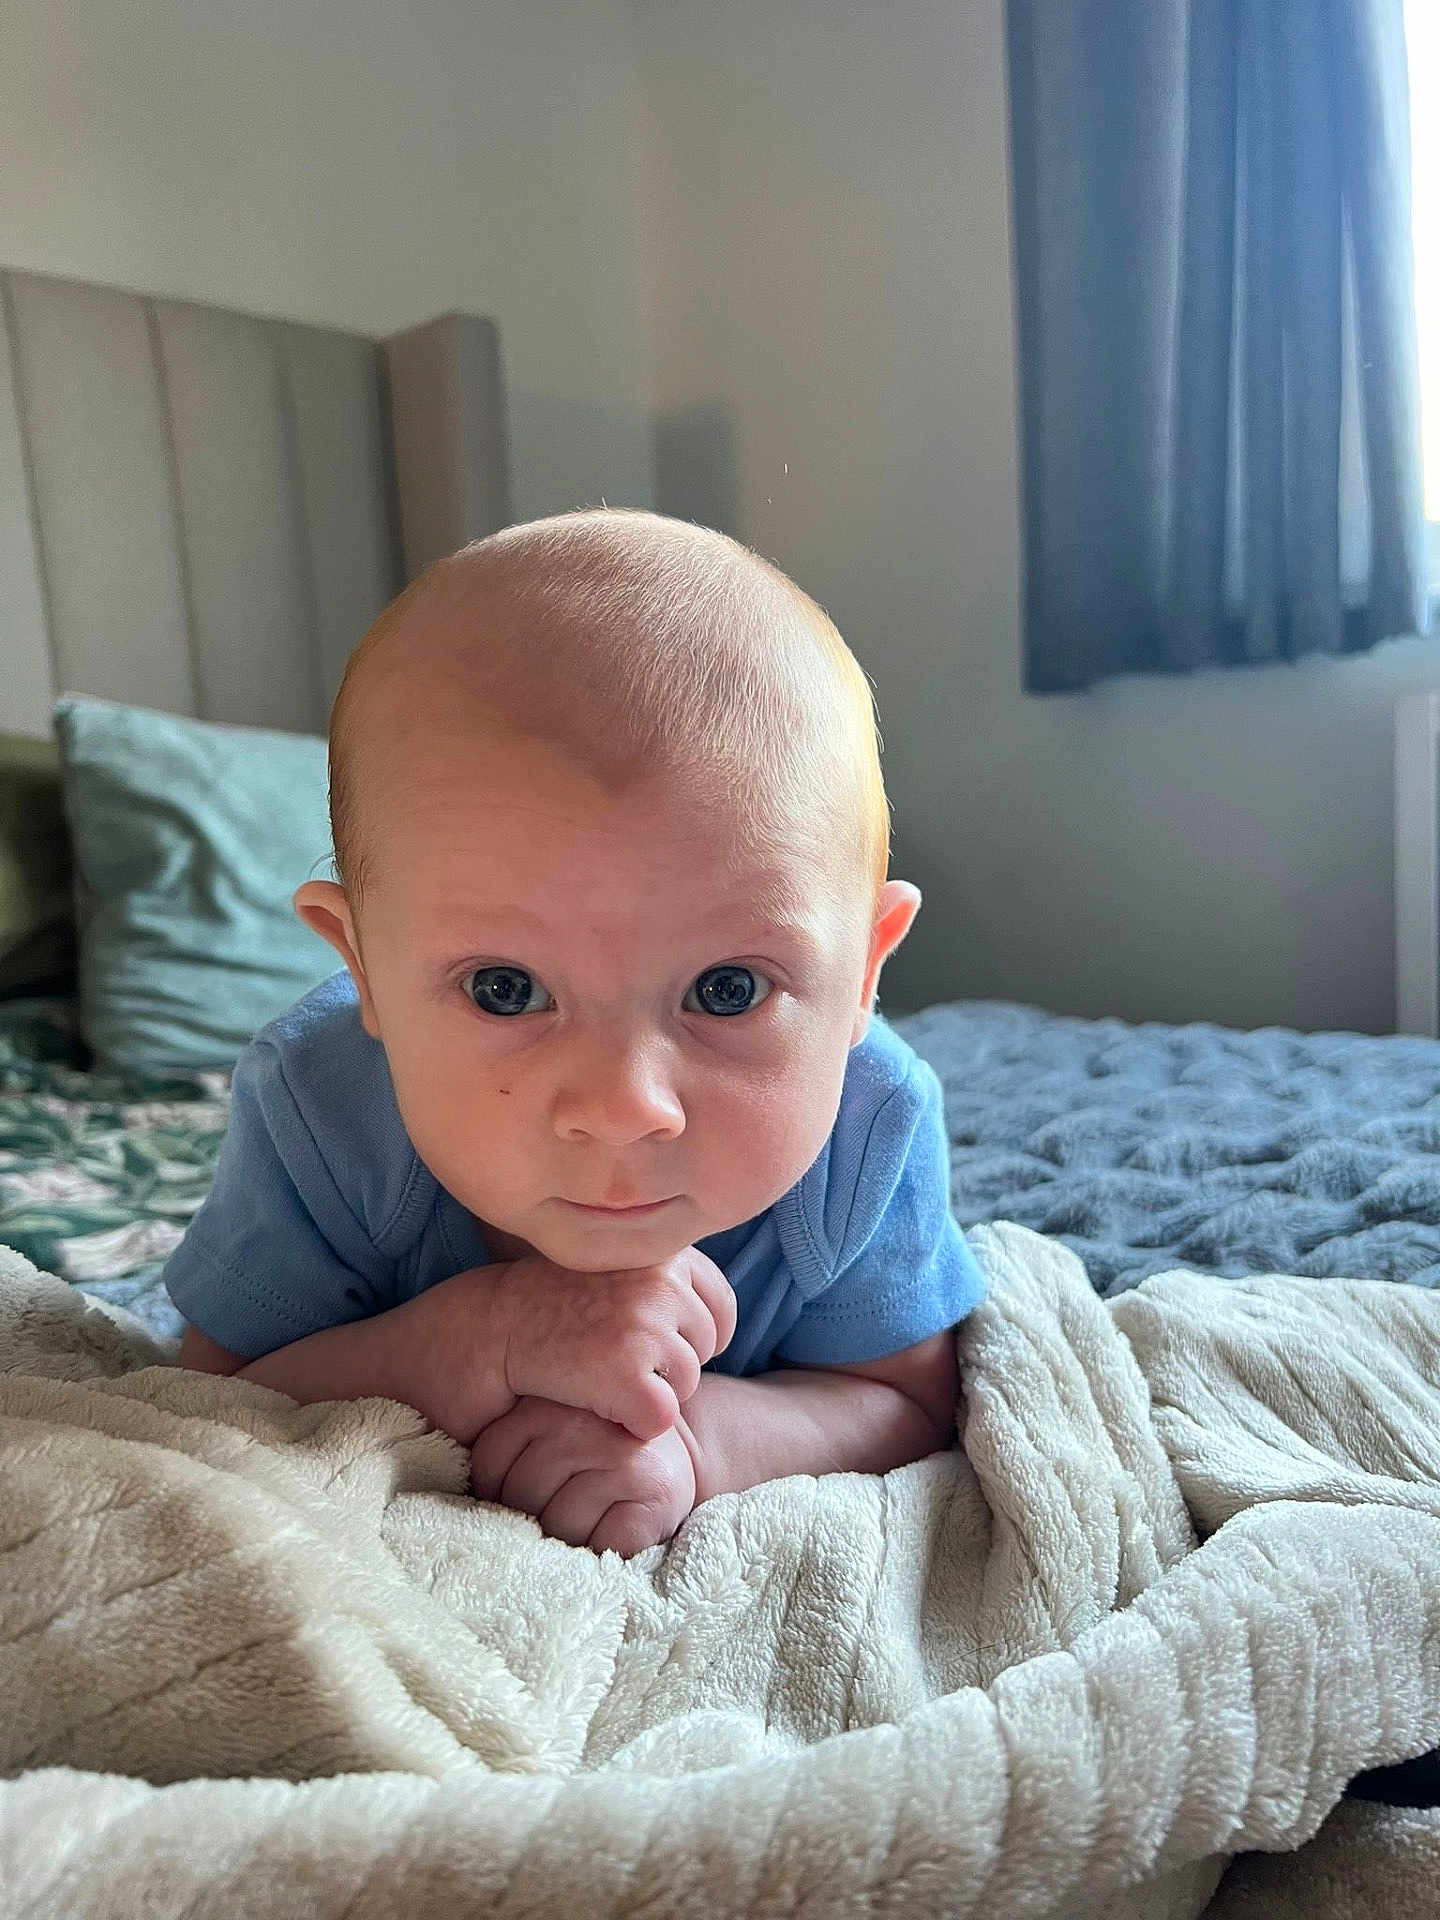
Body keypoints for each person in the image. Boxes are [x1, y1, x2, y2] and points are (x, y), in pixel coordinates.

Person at [166, 509, 986, 1555]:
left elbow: (908, 1402)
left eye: (729, 988)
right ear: (361, 965)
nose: (622, 1107)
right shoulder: (320, 1105)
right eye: (505, 989)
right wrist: (479, 1338)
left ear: (865, 971)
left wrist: (702, 1444)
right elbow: (218, 1392)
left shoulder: (868, 1126)